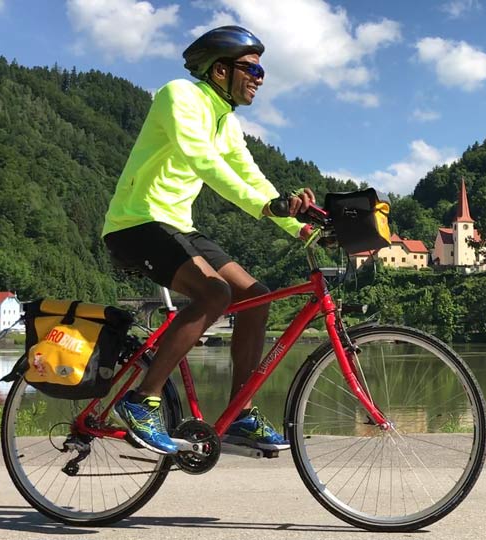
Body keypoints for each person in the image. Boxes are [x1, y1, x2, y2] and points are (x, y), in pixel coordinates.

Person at [102, 26, 314, 455]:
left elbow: (251, 177)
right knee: (215, 293)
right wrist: (265, 207)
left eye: (262, 71)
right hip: (136, 223)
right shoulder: (178, 95)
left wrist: (302, 227)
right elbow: (202, 159)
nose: (259, 79)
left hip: (178, 226)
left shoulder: (226, 122)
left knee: (256, 297)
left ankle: (239, 414)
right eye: (252, 69)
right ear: (220, 70)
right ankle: (141, 400)